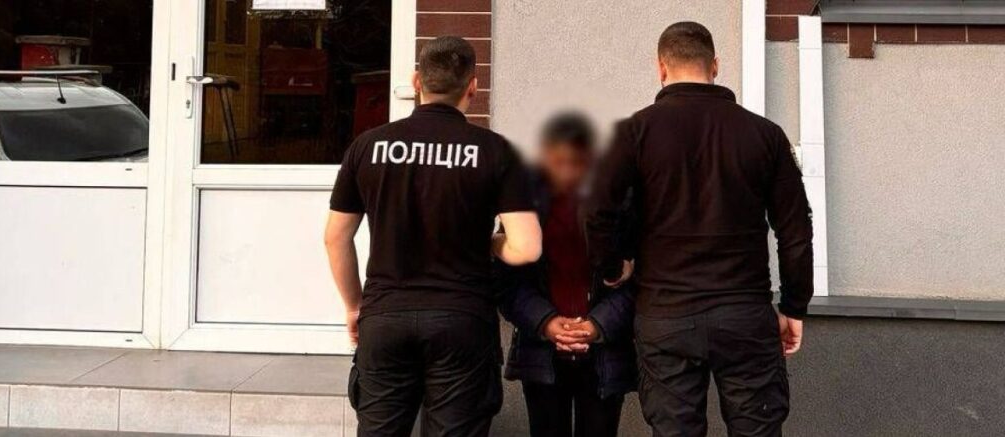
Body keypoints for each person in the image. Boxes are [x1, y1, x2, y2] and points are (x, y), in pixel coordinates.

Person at [586, 22, 814, 437]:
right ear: (715, 66)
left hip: (665, 315)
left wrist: (612, 266)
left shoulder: (633, 133)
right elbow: (795, 230)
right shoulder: (765, 135)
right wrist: (794, 306)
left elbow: (597, 213)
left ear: (661, 67)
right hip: (744, 314)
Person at [325, 36, 542, 437]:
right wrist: (490, 241)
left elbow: (335, 237)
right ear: (473, 87)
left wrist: (355, 307)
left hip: (386, 317)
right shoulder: (494, 151)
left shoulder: (368, 146)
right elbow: (527, 248)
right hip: (461, 321)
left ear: (416, 81)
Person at [499, 113, 637, 437]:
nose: (569, 171)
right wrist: (546, 322)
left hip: (604, 351)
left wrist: (597, 325)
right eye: (559, 161)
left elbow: (638, 280)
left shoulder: (620, 206)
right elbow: (507, 282)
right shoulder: (525, 208)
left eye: (578, 162)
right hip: (542, 351)